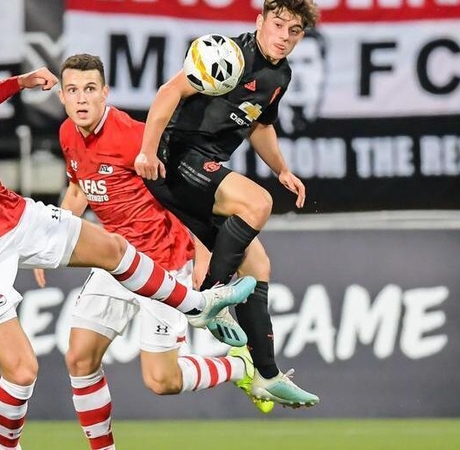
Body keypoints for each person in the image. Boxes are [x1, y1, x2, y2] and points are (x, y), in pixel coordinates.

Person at [0, 16, 254, 450]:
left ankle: (200, 304)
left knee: (112, 247)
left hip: (15, 216)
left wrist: (17, 84)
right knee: (22, 371)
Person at [33, 54, 262, 449]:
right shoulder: (68, 135)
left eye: (90, 89)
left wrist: (202, 250)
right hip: (116, 259)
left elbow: (188, 193)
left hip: (164, 265)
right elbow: (77, 191)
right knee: (80, 358)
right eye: (72, 90)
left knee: (162, 381)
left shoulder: (133, 137)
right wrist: (50, 242)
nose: (82, 99)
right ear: (63, 97)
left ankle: (238, 364)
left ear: (105, 93)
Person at [135, 0, 321, 408]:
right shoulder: (229, 53)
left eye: (293, 31)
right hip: (176, 158)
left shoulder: (280, 76)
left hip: (202, 172)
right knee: (257, 203)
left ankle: (267, 376)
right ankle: (209, 300)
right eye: (277, 24)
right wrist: (147, 151)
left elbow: (260, 124)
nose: (283, 36)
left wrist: (283, 169)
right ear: (260, 21)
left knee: (258, 266)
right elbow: (171, 91)